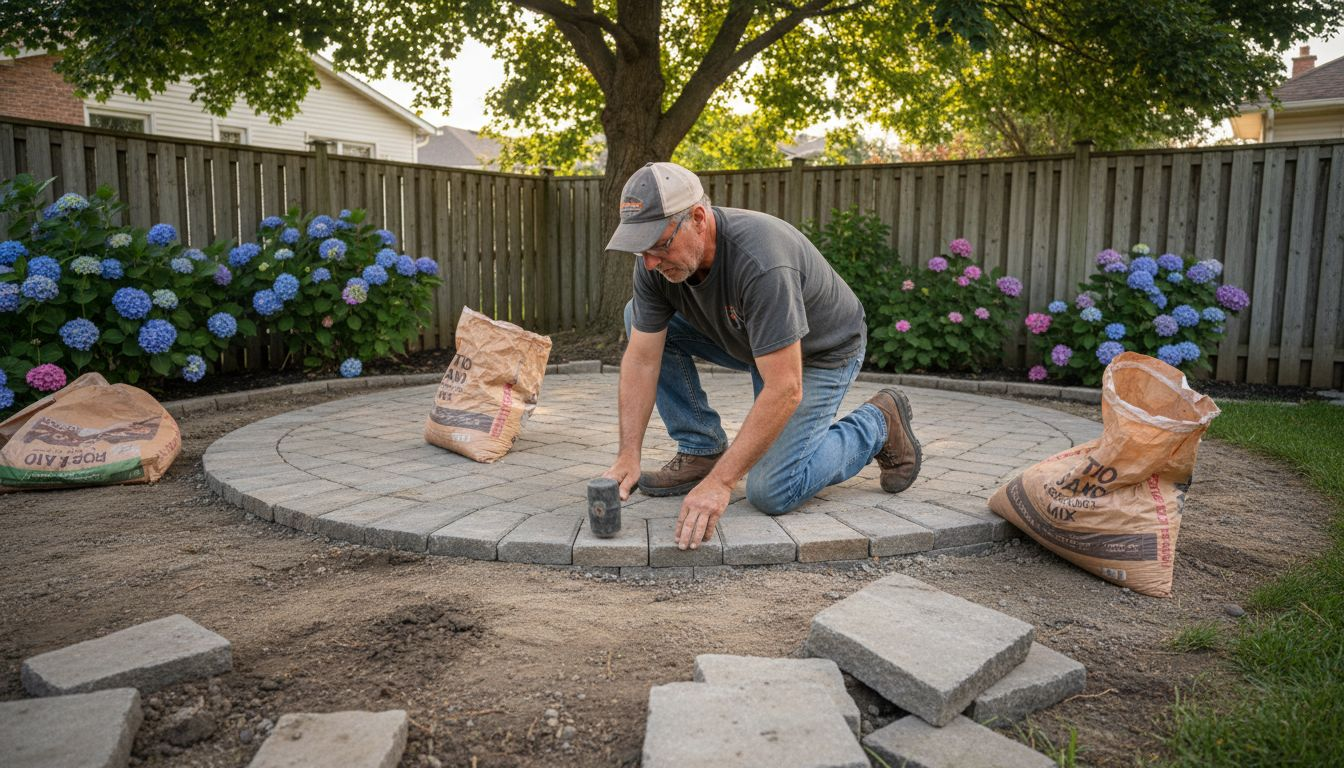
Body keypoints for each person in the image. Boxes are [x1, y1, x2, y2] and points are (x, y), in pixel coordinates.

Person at [601, 161, 921, 551]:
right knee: (638, 317)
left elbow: (785, 388)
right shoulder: (653, 265)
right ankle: (701, 450)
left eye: (659, 244)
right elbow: (641, 361)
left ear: (698, 218)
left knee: (772, 490)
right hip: (752, 340)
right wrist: (628, 455)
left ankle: (878, 423)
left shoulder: (761, 261)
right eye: (641, 248)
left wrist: (721, 483)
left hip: (821, 352)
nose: (650, 262)